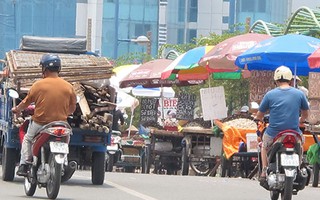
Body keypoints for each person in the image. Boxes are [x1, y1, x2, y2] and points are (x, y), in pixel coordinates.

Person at [12, 54, 77, 176]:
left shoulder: (38, 85)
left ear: (45, 68)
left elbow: (26, 102)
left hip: (40, 123)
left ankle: (24, 164)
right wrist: (64, 114)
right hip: (61, 124)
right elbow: (73, 107)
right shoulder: (69, 86)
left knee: (27, 138)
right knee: (65, 141)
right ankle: (65, 163)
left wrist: (17, 109)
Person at [254, 66, 309, 188]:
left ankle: (264, 170)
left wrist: (258, 118)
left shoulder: (270, 94)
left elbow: (259, 114)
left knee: (263, 145)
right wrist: (301, 120)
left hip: (274, 133)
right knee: (300, 145)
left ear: (276, 81)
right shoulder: (300, 94)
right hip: (294, 133)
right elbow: (305, 114)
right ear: (290, 80)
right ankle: (299, 166)